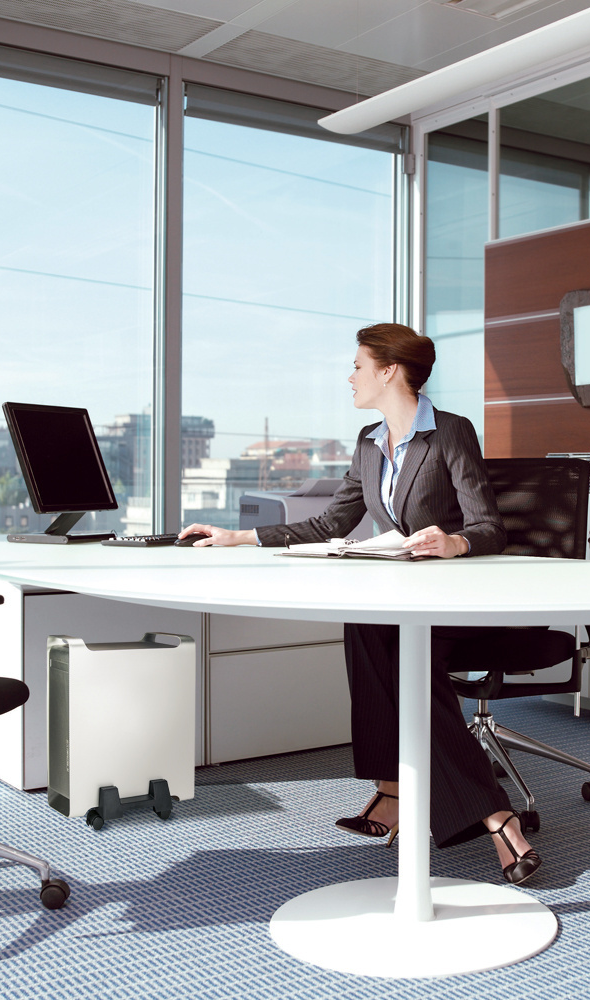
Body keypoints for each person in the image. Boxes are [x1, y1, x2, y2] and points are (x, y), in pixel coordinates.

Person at [178, 322, 541, 885]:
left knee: (400, 653)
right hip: (408, 606)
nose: (349, 377)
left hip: (464, 610)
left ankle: (488, 811)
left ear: (389, 370)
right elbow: (331, 522)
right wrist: (237, 536)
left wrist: (453, 543)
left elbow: (490, 528)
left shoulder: (450, 433)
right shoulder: (370, 443)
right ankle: (398, 791)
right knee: (368, 626)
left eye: (357, 366)